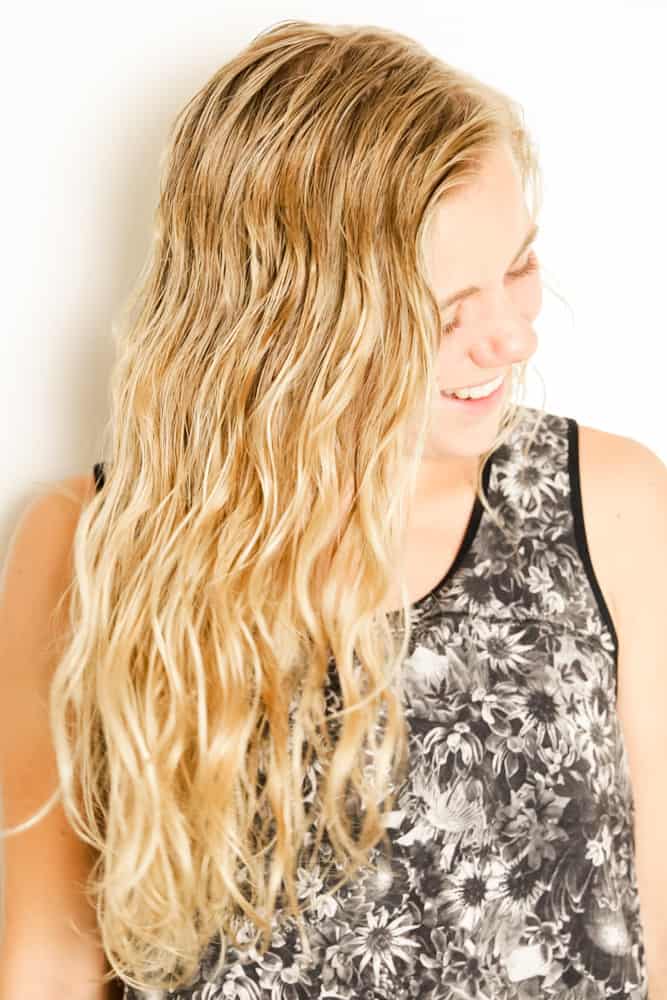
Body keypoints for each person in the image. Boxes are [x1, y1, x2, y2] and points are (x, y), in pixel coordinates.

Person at [1, 18, 665, 1000]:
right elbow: (48, 962)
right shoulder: (95, 541)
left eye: (518, 267)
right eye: (445, 314)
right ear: (297, 332)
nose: (513, 335)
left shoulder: (606, 503)